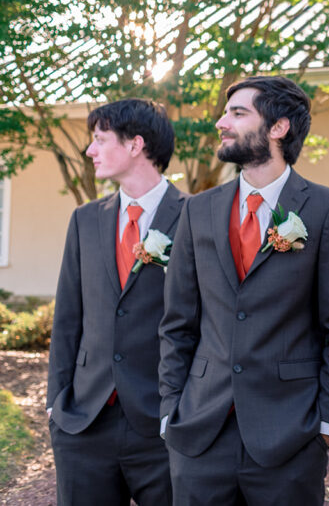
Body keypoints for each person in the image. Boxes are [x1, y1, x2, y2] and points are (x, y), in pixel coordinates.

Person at [159, 76, 329, 505]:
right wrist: (170, 408)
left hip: (291, 435)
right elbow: (178, 322)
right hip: (199, 433)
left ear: (279, 127)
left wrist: (325, 422)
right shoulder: (198, 210)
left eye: (237, 113)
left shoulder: (326, 209)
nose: (220, 122)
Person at [48, 98, 185, 505]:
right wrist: (58, 406)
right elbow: (67, 319)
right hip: (84, 423)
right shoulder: (85, 219)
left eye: (100, 139)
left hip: (163, 425)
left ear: (135, 145)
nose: (90, 150)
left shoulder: (196, 216)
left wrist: (187, 413)